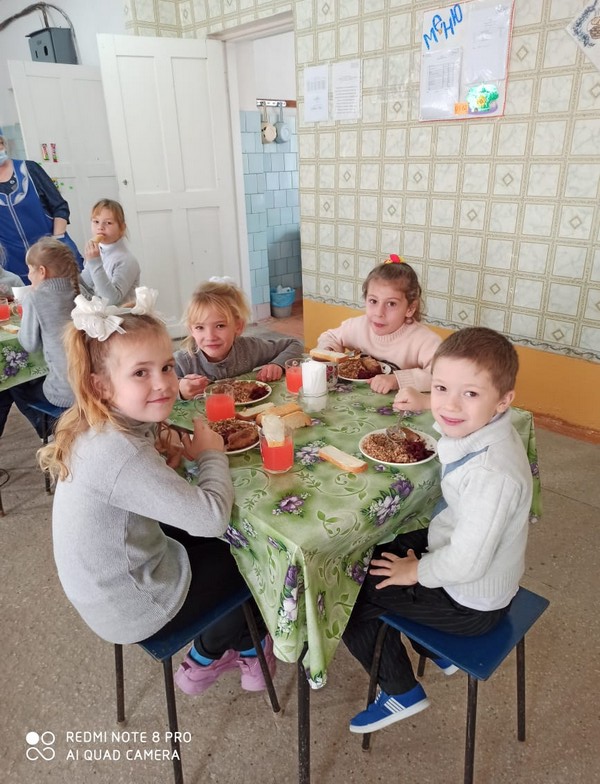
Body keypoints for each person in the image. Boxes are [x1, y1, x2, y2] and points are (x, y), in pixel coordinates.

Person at [39, 296, 276, 696]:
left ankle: (242, 642)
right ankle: (212, 653)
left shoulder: (96, 422)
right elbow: (212, 518)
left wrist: (165, 457)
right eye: (140, 373)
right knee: (255, 555)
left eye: (166, 367)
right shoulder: (120, 452)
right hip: (136, 606)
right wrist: (212, 453)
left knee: (219, 540)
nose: (163, 383)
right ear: (101, 384)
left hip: (109, 588)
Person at [342, 327, 533, 734]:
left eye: (471, 394)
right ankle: (431, 645)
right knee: (377, 549)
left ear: (503, 400)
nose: (450, 405)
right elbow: (450, 414)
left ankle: (401, 690)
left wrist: (416, 571)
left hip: (471, 603)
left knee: (349, 589)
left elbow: (466, 563)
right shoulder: (486, 429)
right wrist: (427, 400)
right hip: (459, 560)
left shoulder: (492, 476)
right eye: (442, 388)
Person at [314, 255, 441, 399]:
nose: (379, 313)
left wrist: (397, 380)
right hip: (357, 403)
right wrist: (329, 351)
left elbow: (443, 375)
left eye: (391, 304)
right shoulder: (358, 326)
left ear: (410, 308)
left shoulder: (423, 340)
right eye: (373, 301)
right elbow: (330, 337)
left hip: (401, 407)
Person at [175, 278, 304, 399]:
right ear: (191, 330)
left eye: (220, 326)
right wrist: (179, 389)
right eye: (200, 327)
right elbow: (162, 388)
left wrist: (277, 364)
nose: (210, 337)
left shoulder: (249, 349)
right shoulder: (183, 361)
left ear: (238, 326)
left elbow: (294, 344)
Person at [10, 238, 79, 433]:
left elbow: (29, 344)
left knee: (15, 384)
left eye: (30, 270)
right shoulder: (80, 291)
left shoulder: (34, 298)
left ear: (42, 271)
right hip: (91, 386)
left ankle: (51, 429)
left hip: (64, 392)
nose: (28, 275)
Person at [0, 134, 82, 282]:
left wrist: (58, 240)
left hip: (52, 254)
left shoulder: (29, 169)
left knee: (71, 292)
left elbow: (60, 207)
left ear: (3, 145)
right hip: (15, 267)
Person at [79, 199, 140, 306]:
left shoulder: (127, 260)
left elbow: (111, 301)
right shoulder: (98, 253)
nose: (100, 227)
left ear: (122, 228)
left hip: (122, 315)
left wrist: (95, 263)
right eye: (96, 222)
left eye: (108, 223)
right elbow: (84, 284)